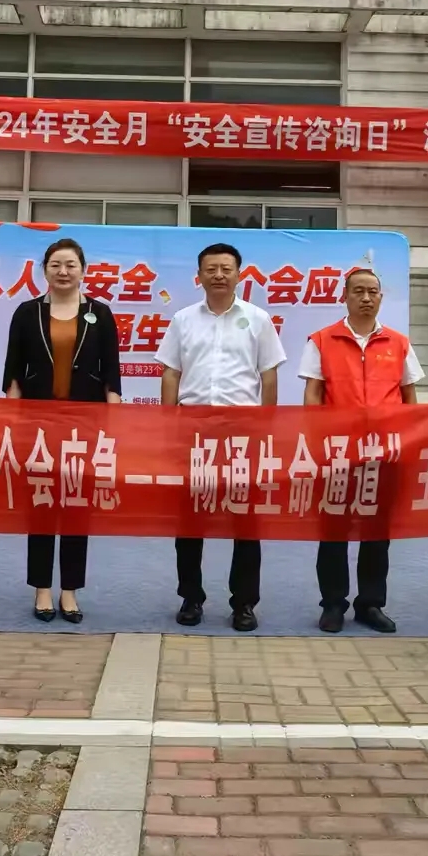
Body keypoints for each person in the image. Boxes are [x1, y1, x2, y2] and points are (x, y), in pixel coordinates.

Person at [159, 243, 286, 632]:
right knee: (190, 520)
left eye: (226, 268)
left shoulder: (258, 318)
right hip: (193, 430)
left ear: (239, 274)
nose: (218, 274)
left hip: (243, 432)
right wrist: (168, 425)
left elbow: (268, 375)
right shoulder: (182, 319)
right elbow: (170, 373)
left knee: (245, 522)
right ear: (199, 275)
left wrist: (266, 426)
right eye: (211, 268)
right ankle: (190, 597)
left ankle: (244, 603)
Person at [3, 238, 122, 624]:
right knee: (41, 505)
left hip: (83, 425)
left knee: (74, 506)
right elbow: (13, 371)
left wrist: (113, 416)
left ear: (83, 270)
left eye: (70, 264)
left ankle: (69, 591)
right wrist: (12, 417)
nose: (63, 271)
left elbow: (112, 373)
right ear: (45, 270)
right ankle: (41, 589)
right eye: (56, 264)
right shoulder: (26, 312)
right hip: (37, 424)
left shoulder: (99, 314)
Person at [299, 267, 423, 634]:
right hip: (337, 452)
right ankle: (333, 604)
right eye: (358, 292)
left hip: (384, 453)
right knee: (334, 531)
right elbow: (313, 395)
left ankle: (370, 604)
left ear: (381, 297)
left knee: (377, 533)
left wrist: (410, 439)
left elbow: (410, 394)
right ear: (345, 296)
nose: (366, 298)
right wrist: (315, 442)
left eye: (373, 291)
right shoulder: (322, 339)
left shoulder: (399, 343)